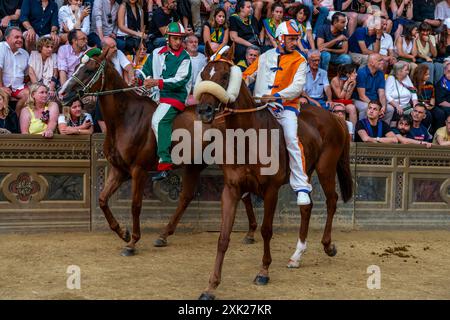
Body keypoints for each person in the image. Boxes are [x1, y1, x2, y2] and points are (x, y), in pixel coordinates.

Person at [243, 20, 312, 205]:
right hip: (258, 105)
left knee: (291, 138)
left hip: (286, 107)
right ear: (280, 38)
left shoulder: (300, 60)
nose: (294, 42)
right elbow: (248, 75)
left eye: (296, 39)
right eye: (291, 39)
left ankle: (301, 187)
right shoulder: (265, 56)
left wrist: (275, 96)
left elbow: (297, 87)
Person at [141, 22, 192, 181]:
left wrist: (156, 82)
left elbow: (179, 81)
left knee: (158, 121)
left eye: (180, 39)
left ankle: (165, 163)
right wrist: (140, 79)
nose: (178, 42)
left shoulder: (185, 57)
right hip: (154, 95)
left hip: (175, 97)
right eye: (175, 38)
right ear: (167, 38)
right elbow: (145, 71)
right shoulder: (155, 53)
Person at [354, 53, 393, 124]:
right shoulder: (362, 72)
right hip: (360, 100)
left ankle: (382, 130)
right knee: (366, 108)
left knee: (390, 109)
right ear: (372, 63)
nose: (383, 62)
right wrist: (375, 106)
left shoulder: (380, 73)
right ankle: (362, 130)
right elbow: (362, 96)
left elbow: (381, 93)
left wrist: (383, 107)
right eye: (380, 60)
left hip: (374, 101)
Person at [0, 27, 30, 118]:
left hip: (17, 87)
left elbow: (26, 75)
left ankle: (15, 118)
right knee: (3, 97)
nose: (20, 40)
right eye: (16, 37)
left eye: (21, 38)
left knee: (30, 95)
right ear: (7, 38)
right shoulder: (1, 47)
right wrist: (1, 87)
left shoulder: (25, 53)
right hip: (2, 84)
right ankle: (3, 123)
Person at [412, 63, 446, 134]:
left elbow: (432, 98)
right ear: (420, 74)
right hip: (420, 106)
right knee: (428, 115)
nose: (429, 76)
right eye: (426, 74)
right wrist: (424, 107)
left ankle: (437, 134)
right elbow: (414, 100)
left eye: (428, 74)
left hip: (430, 106)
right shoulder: (413, 85)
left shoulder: (430, 85)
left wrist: (431, 106)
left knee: (441, 114)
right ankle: (425, 133)